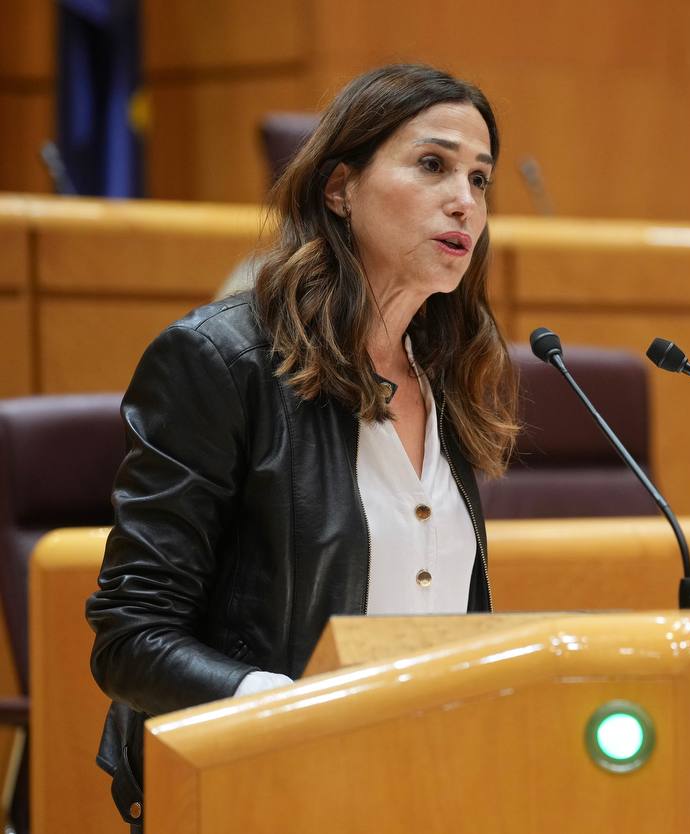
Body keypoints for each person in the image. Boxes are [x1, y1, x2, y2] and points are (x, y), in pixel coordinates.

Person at [85, 64, 519, 830]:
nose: (465, 200)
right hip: (256, 789)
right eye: (432, 165)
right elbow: (131, 636)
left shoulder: (445, 370)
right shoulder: (219, 362)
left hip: (426, 788)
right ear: (338, 189)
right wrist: (290, 709)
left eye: (480, 180)